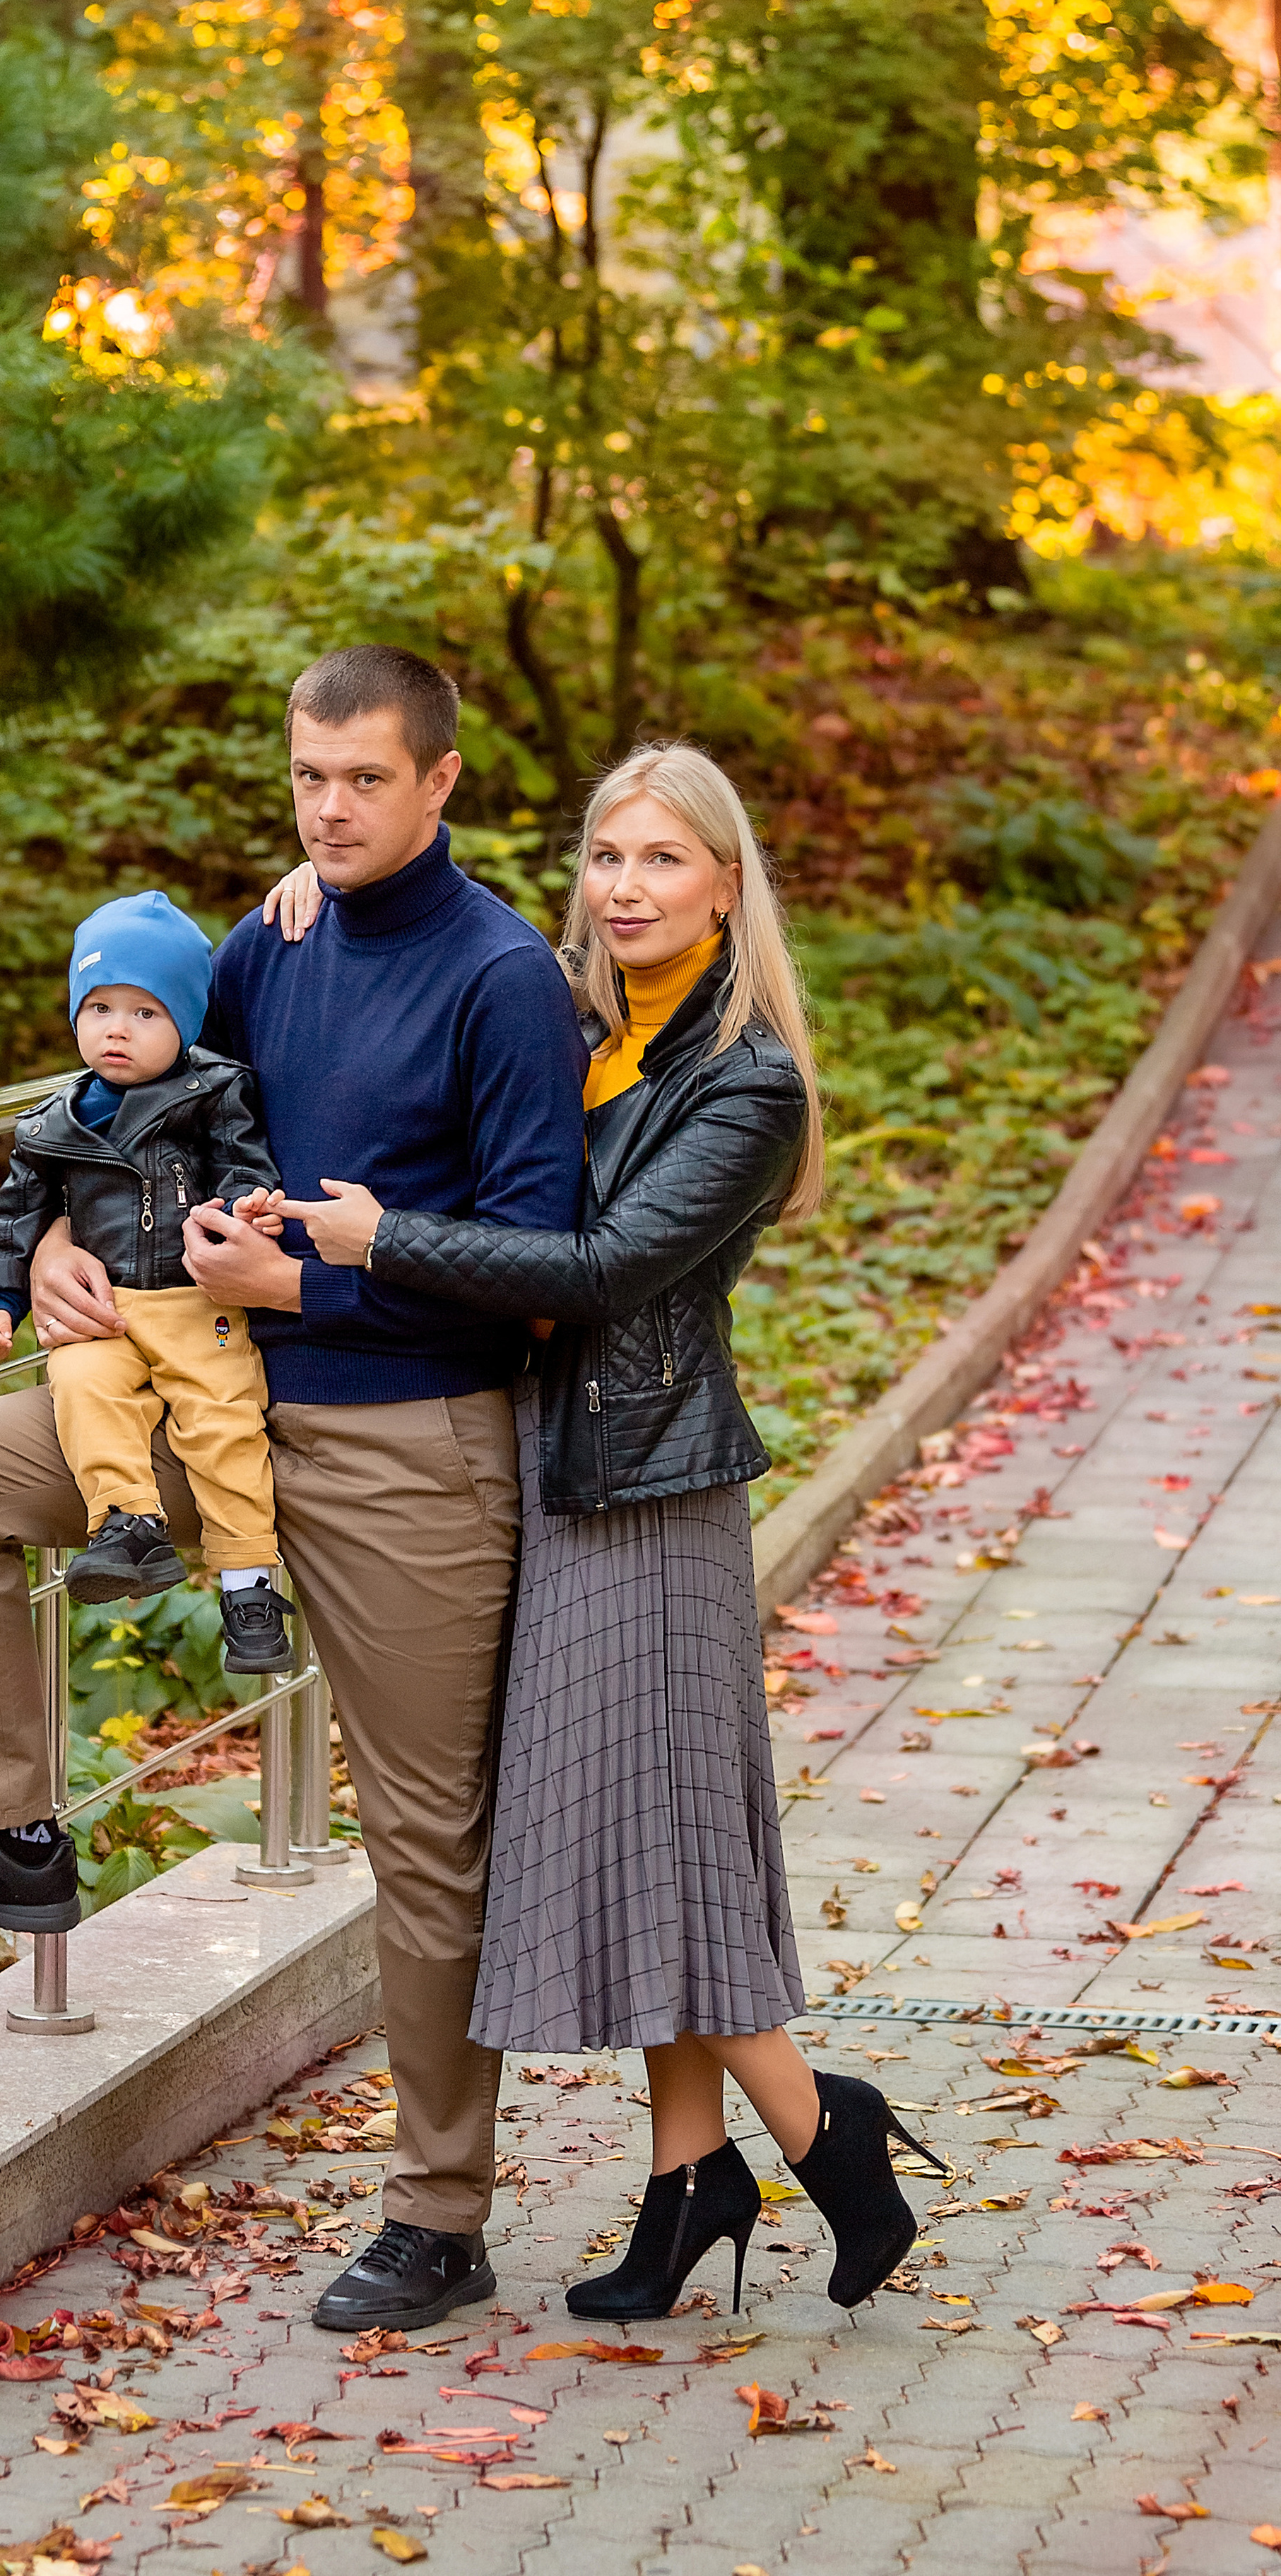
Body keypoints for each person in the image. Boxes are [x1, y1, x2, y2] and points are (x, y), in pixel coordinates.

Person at [0, 645, 589, 2337]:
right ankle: (7, 1829)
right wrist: (72, 1240)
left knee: (425, 1839)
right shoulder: (266, 943)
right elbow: (142, 1113)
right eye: (309, 778)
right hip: (214, 1405)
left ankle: (438, 2212)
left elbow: (538, 1264)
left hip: (408, 1437)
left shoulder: (501, 977)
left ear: (440, 780)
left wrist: (304, 1286)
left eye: (366, 779)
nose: (330, 809)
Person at [285, 742, 947, 2314]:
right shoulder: (570, 1021)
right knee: (645, 1828)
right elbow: (427, 962)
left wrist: (379, 1241)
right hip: (536, 1455)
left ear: (724, 885)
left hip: (645, 1484)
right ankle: (686, 2181)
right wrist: (313, 884)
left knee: (657, 1830)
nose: (627, 888)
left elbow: (596, 1270)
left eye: (663, 859)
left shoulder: (747, 1082)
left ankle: (821, 2126)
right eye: (606, 857)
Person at [0, 888, 291, 1670]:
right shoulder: (54, 1122)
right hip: (105, 1308)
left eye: (146, 1012)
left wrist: (245, 1209)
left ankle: (248, 1583)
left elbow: (244, 1165)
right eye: (100, 1008)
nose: (118, 1029)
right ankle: (128, 1524)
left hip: (195, 1300)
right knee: (82, 1387)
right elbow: (16, 1216)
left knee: (222, 1422)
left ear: (186, 1022)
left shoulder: (212, 1092)